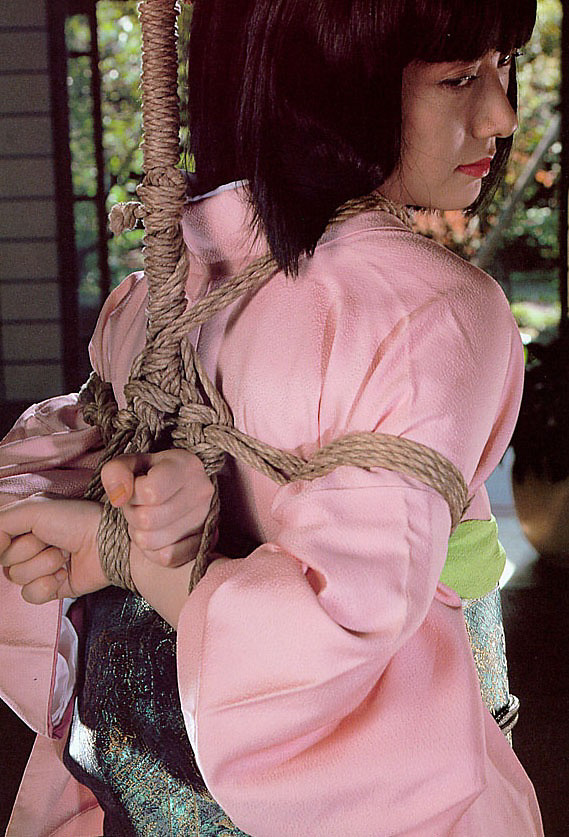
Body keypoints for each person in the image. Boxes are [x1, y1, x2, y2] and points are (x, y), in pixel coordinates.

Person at [0, 0, 544, 834]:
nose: (501, 116)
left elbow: (41, 491)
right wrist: (142, 556)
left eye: (504, 64)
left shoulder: (154, 298)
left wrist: (128, 526)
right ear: (324, 78)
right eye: (458, 77)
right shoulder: (430, 315)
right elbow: (337, 634)